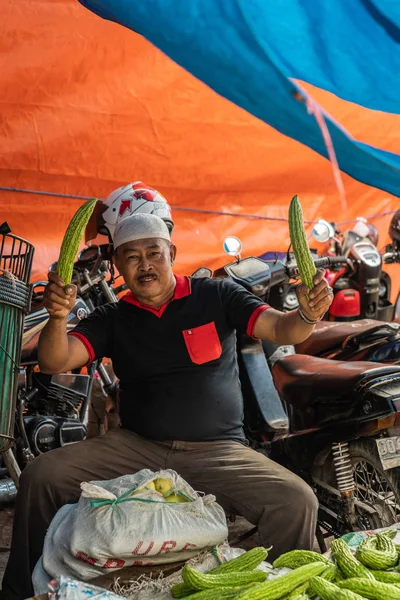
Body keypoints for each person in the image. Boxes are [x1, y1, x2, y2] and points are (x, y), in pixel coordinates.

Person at [1, 213, 333, 600]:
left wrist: (307, 314)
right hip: (137, 446)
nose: (145, 265)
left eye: (154, 253)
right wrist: (57, 317)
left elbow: (281, 328)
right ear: (118, 265)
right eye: (132, 257)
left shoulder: (215, 295)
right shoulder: (114, 316)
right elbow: (56, 360)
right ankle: (20, 592)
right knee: (42, 475)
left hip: (217, 450)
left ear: (172, 253)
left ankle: (287, 590)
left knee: (295, 500)